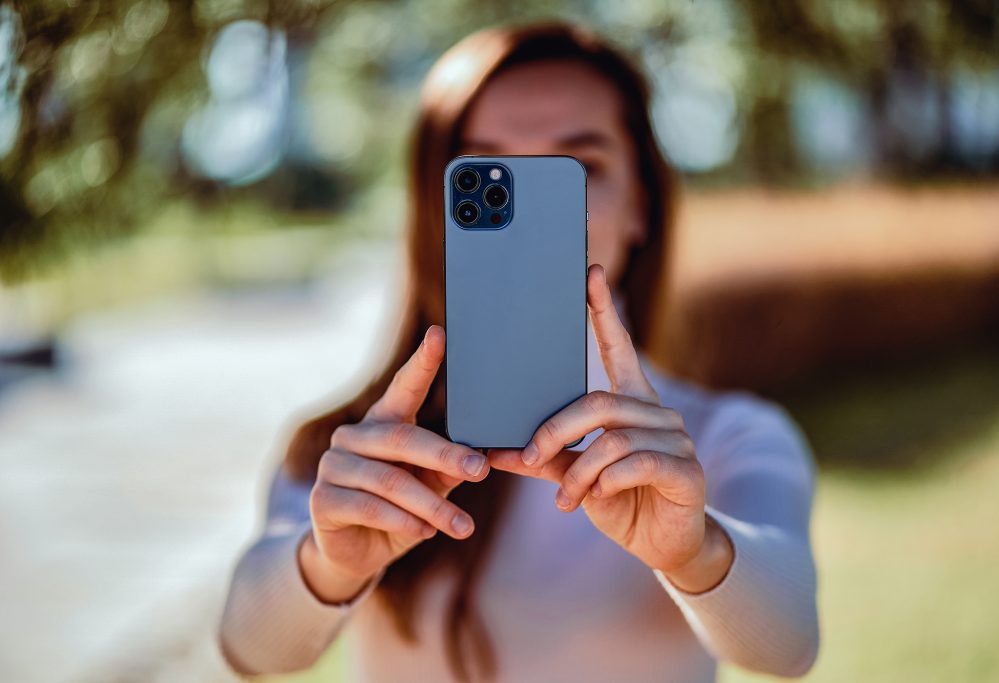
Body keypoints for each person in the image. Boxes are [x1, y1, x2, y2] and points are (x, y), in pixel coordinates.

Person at [218, 21, 819, 683]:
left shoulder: (730, 437)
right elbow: (249, 649)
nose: (533, 214)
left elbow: (790, 646)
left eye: (579, 167)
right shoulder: (362, 449)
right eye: (489, 177)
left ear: (641, 207)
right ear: (435, 211)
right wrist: (328, 563)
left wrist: (696, 551)